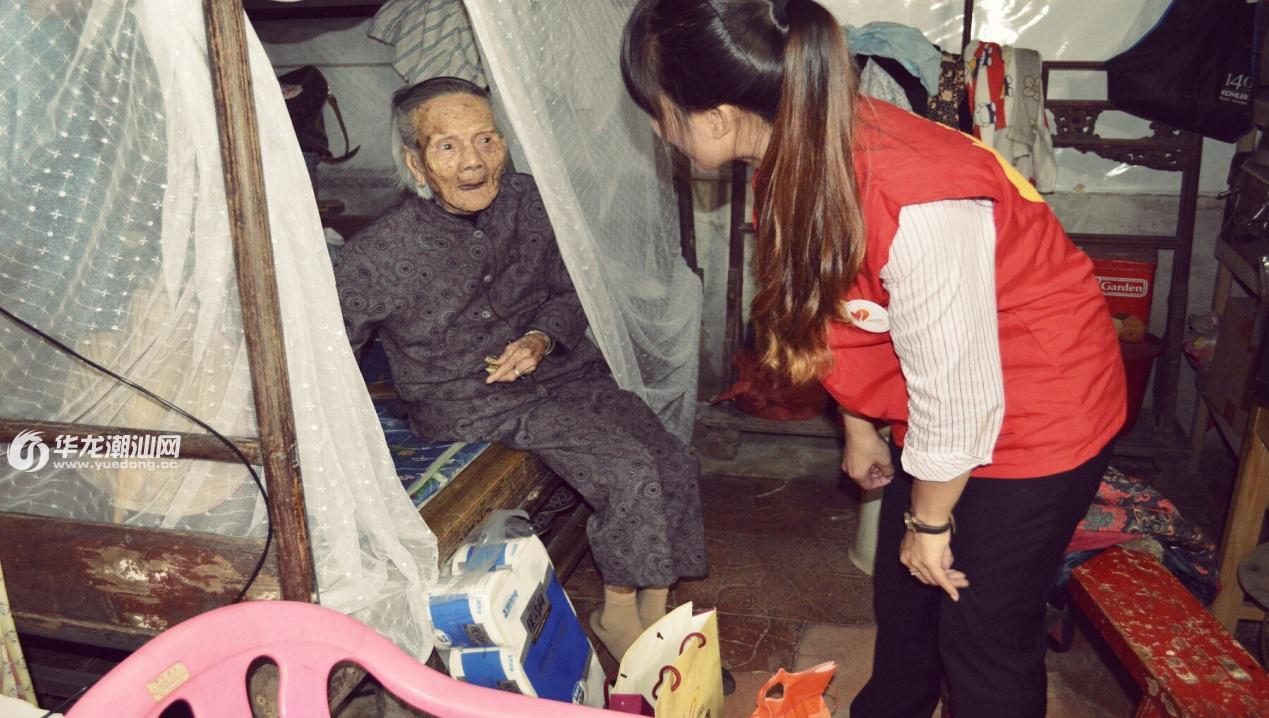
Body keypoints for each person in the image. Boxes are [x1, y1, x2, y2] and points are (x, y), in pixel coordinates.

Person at [621, 1, 1126, 716]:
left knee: (982, 628)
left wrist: (930, 523)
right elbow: (835, 306)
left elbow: (958, 395)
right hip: (942, 398)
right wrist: (861, 425)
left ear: (718, 116)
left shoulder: (915, 195)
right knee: (905, 601)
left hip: (1037, 410)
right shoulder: (794, 147)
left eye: (658, 109)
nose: (653, 127)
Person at [333, 77, 707, 661]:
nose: (474, 161)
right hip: (470, 399)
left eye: (486, 139)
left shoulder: (527, 199)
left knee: (674, 459)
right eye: (448, 146)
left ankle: (655, 615)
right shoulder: (376, 254)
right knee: (628, 469)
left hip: (559, 371)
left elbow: (571, 289)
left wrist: (541, 338)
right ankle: (618, 617)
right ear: (415, 162)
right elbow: (334, 353)